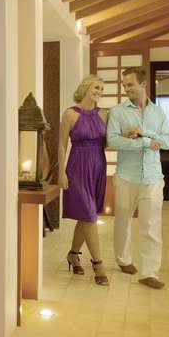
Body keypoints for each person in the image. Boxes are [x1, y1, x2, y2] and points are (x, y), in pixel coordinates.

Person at [106, 66, 169, 289]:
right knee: (122, 220)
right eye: (124, 85)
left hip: (153, 177)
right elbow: (113, 140)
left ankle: (149, 272)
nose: (126, 89)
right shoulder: (117, 112)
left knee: (151, 224)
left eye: (130, 84)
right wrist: (145, 143)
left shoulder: (159, 113)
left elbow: (167, 141)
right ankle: (123, 259)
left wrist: (145, 134)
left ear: (143, 84)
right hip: (126, 176)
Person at [59, 75, 109, 286]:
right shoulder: (70, 113)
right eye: (97, 87)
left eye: (102, 89)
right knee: (89, 215)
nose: (99, 92)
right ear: (86, 88)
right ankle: (98, 264)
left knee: (86, 214)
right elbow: (62, 144)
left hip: (98, 166)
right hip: (77, 168)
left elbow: (109, 141)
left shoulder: (103, 114)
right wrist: (61, 172)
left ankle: (73, 254)